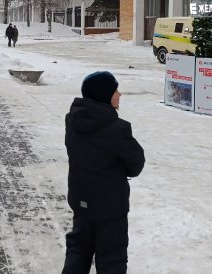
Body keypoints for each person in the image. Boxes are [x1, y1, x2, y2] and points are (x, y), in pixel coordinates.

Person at [62, 71, 145, 273]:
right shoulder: (117, 129)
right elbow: (136, 163)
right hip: (110, 208)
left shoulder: (73, 121)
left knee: (78, 251)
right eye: (115, 90)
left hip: (81, 201)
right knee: (111, 259)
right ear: (104, 95)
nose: (119, 94)